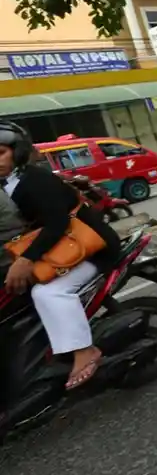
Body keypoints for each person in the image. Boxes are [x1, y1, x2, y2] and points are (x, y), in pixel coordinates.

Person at [0, 121, 122, 390]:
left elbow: (57, 224)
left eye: (0, 153)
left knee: (48, 294)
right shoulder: (5, 184)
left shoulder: (35, 180)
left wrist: (25, 259)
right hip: (56, 252)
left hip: (91, 249)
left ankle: (84, 351)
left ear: (17, 152)